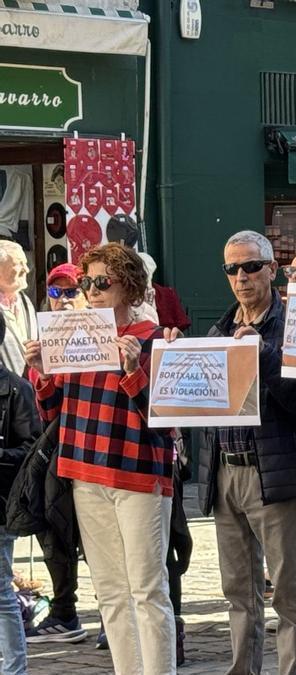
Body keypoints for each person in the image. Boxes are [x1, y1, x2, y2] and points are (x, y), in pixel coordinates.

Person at [24, 242, 177, 673]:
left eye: (102, 282)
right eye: (86, 282)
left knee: (147, 588)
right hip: (84, 470)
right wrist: (44, 375)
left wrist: (133, 371)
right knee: (110, 591)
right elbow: (54, 415)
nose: (91, 290)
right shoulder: (76, 334)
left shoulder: (154, 338)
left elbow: (167, 420)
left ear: (129, 287)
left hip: (137, 474)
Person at [183, 230, 296, 675]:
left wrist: (266, 355)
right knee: (237, 589)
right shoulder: (218, 329)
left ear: (271, 269)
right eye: (232, 268)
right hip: (225, 469)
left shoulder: (293, 324)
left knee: (289, 589)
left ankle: (291, 670)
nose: (241, 277)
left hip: (272, 473)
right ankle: (243, 669)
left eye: (251, 266)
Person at [25, 263, 88, 645]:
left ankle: (112, 615)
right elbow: (45, 412)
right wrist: (42, 374)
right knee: (54, 530)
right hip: (54, 452)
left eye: (71, 291)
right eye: (55, 292)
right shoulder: (43, 342)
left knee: (99, 537)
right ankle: (65, 611)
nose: (62, 300)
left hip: (92, 451)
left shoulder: (98, 337)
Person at [0, 313, 41, 674]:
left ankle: (14, 668)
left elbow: (31, 449)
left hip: (0, 502)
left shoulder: (16, 389)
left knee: (0, 591)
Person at [0, 241, 35, 375]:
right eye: (19, 263)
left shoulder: (25, 302)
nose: (26, 269)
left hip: (28, 385)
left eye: (25, 263)